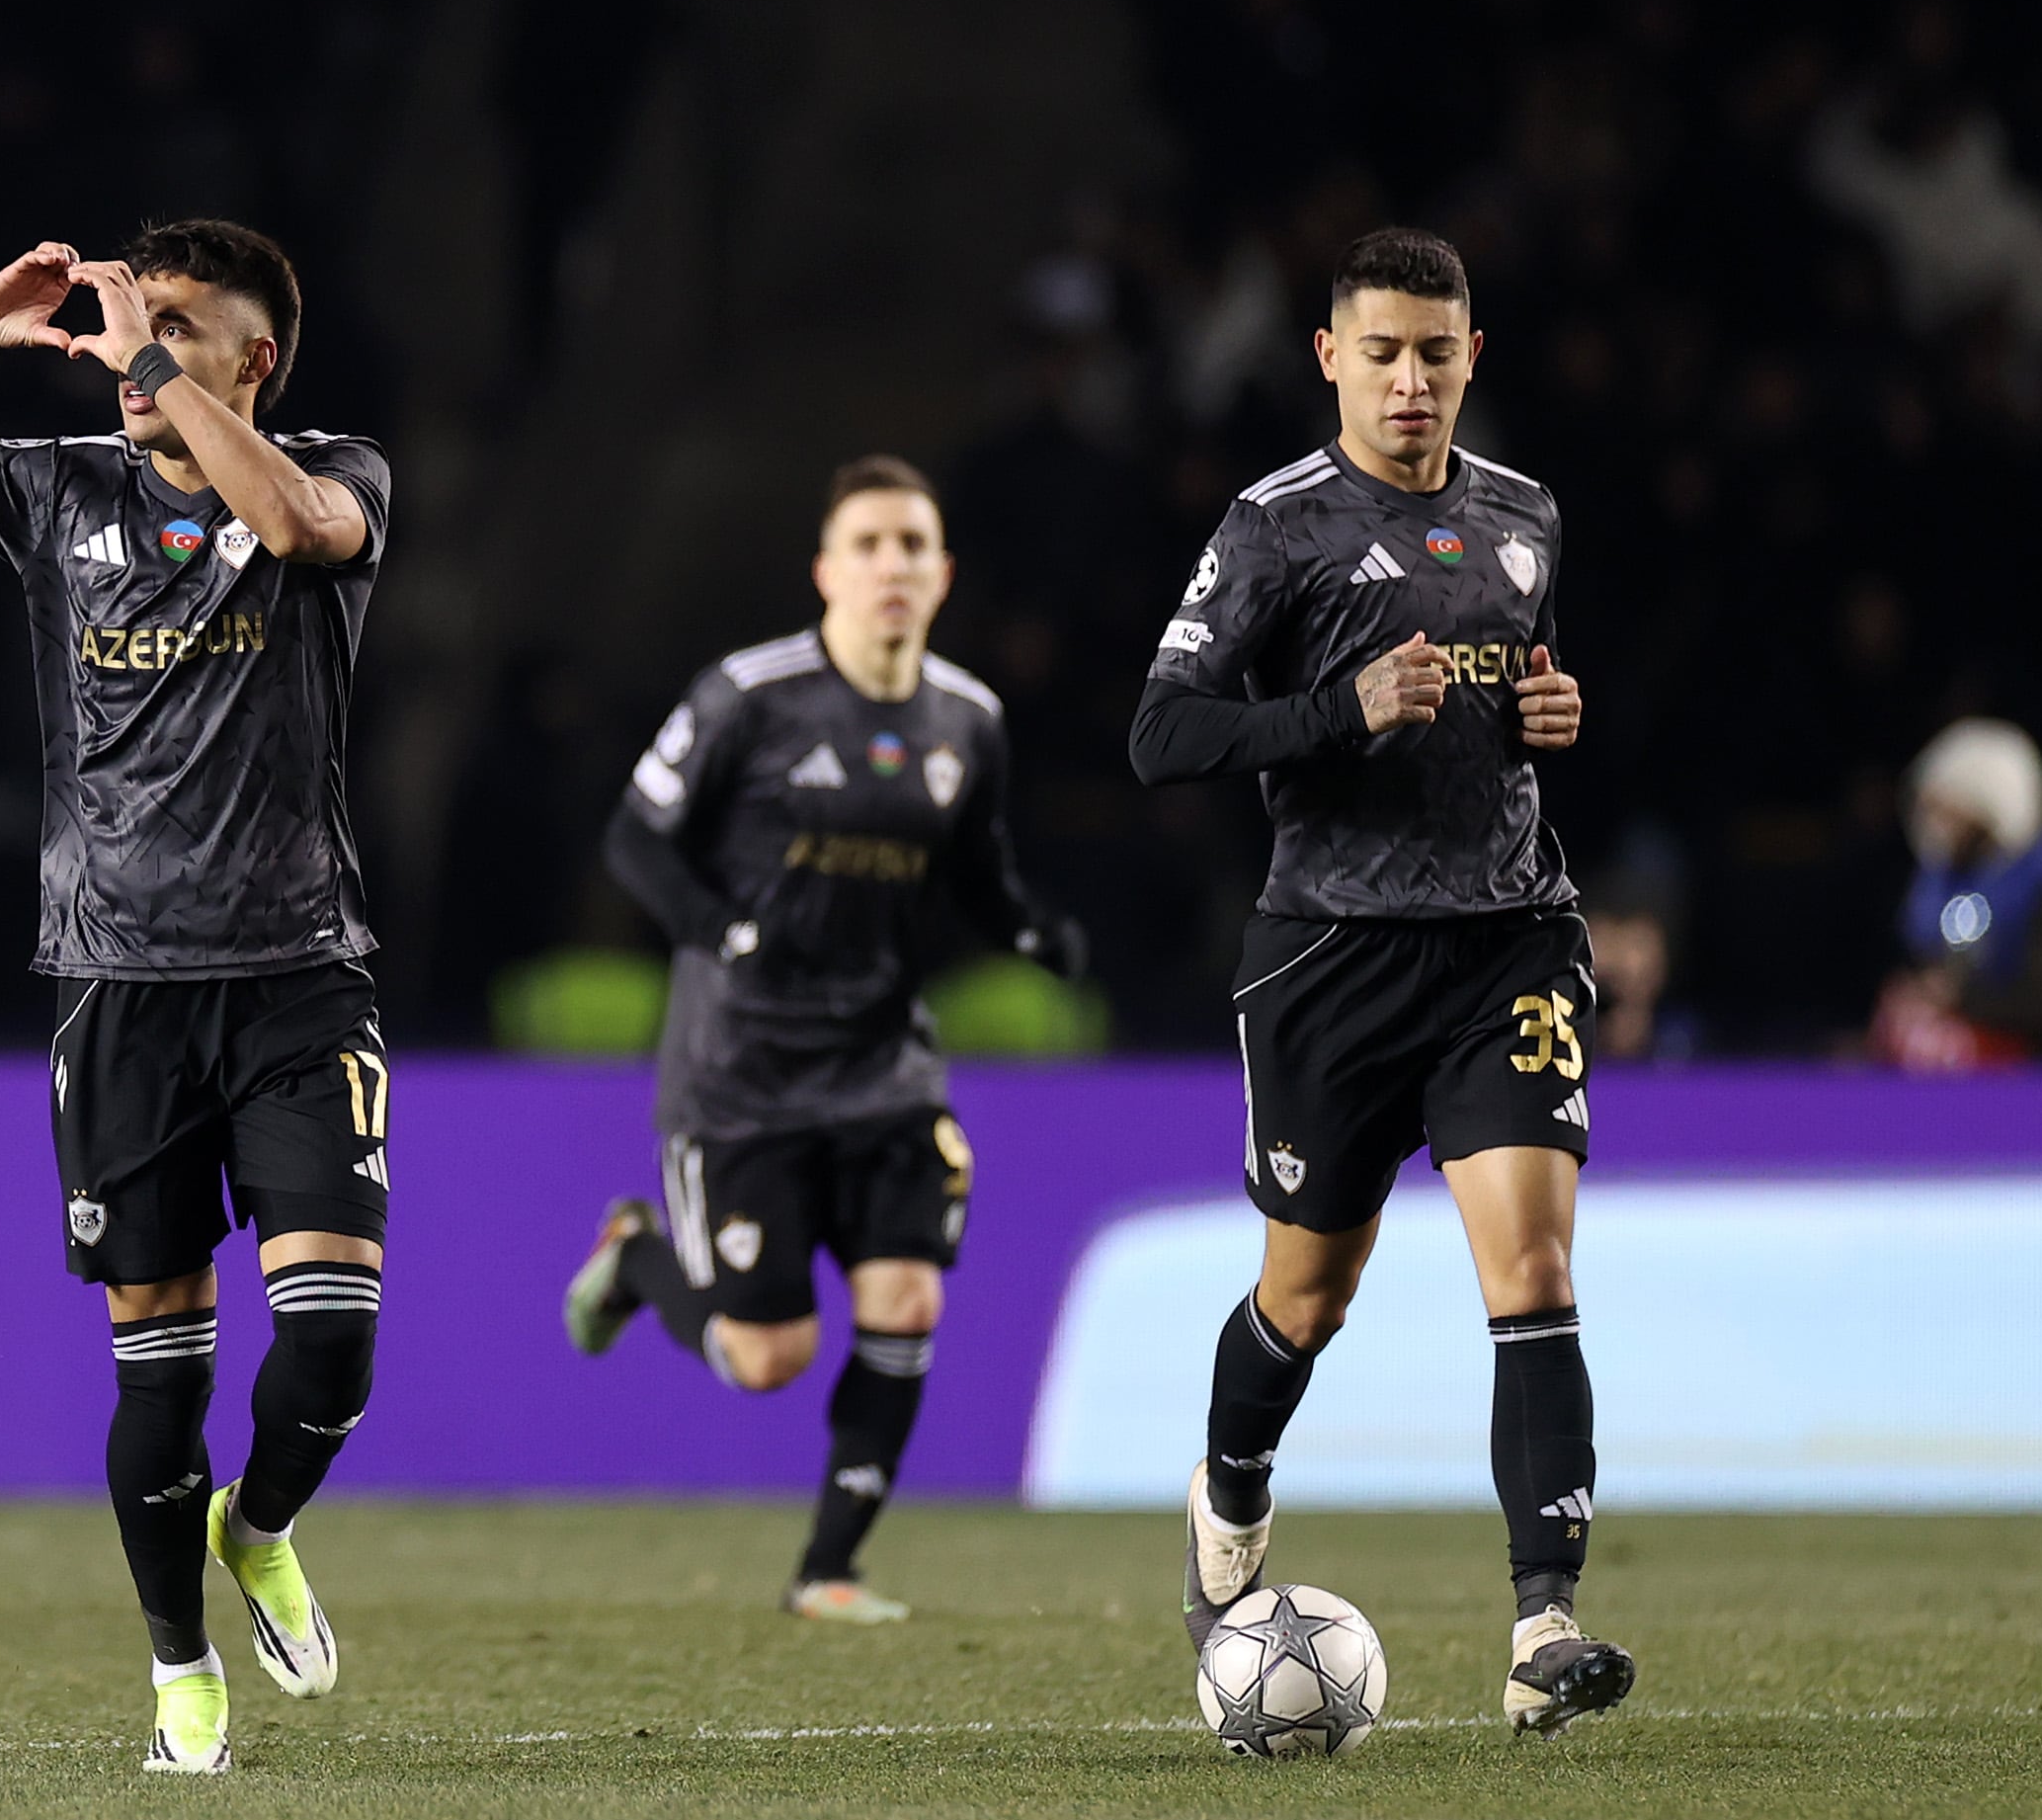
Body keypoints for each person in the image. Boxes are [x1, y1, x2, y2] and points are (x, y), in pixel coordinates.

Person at [0, 223, 392, 1777]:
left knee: (331, 1348)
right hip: (116, 984)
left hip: (297, 981)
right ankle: (179, 1670)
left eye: (184, 325)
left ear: (256, 360)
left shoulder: (342, 473)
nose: (136, 344)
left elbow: (288, 521)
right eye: (137, 317)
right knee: (160, 1360)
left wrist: (139, 357)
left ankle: (255, 1531)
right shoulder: (63, 489)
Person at [1127, 227, 1634, 1737]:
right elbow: (1163, 735)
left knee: (1533, 1270)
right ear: (1330, 360)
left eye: (1436, 352)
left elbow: (1511, 693)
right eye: (1382, 352)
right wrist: (1336, 708)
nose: (1410, 380)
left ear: (1473, 358)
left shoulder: (1526, 517)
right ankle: (1230, 1493)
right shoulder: (1275, 528)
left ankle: (1546, 1628)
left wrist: (1547, 713)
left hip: (1508, 938)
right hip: (1332, 958)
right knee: (1309, 1289)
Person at [561, 455, 1083, 1622]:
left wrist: (1035, 931)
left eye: (912, 546)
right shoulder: (748, 694)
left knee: (907, 1299)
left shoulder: (970, 720)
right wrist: (721, 933)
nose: (891, 565)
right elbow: (636, 841)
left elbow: (976, 878)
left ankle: (830, 1569)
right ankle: (642, 1255)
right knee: (767, 1359)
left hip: (885, 1062)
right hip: (739, 1074)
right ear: (826, 570)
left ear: (942, 575)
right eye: (869, 544)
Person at [1872, 716, 2042, 1069]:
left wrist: (1961, 997)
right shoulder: (1936, 880)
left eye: (1951, 812)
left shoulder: (2037, 884)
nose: (1935, 826)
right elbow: (1928, 960)